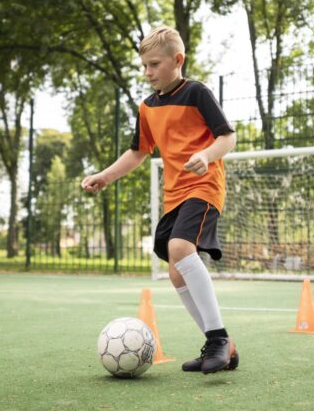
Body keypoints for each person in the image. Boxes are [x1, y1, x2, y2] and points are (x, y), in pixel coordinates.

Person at [81, 26, 238, 374]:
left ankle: (218, 339)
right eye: (144, 66)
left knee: (182, 249)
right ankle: (225, 347)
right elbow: (138, 152)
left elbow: (228, 138)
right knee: (176, 274)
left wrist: (207, 155)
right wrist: (104, 176)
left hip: (204, 186)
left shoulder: (197, 93)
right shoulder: (147, 107)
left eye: (154, 64)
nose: (148, 72)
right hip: (174, 196)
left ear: (177, 60)